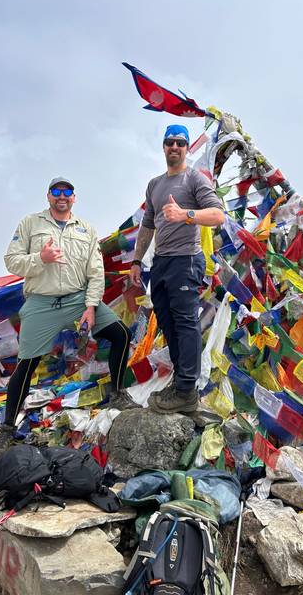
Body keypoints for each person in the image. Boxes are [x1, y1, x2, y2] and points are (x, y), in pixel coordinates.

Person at [0, 177, 134, 455]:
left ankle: (117, 395)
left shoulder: (86, 230)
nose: (62, 196)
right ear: (48, 196)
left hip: (78, 299)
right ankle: (7, 430)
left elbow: (95, 272)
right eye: (57, 191)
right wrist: (40, 259)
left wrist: (91, 306)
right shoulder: (31, 223)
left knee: (121, 335)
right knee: (26, 364)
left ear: (74, 198)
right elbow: (11, 260)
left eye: (67, 192)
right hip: (41, 302)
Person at [129, 125, 224, 414]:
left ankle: (186, 389)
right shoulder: (155, 185)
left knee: (185, 323)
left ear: (186, 148)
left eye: (180, 143)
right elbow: (147, 225)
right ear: (163, 146)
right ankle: (181, 385)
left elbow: (218, 214)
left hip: (186, 259)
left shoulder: (194, 179)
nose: (175, 147)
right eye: (170, 142)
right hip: (161, 262)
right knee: (168, 324)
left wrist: (186, 215)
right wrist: (136, 260)